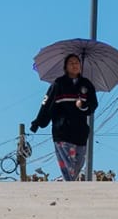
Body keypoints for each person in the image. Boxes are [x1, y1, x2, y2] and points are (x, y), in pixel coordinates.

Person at [30, 53, 98, 181]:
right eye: (71, 63)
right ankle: (69, 189)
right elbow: (46, 104)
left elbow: (93, 105)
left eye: (77, 63)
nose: (75, 65)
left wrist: (83, 105)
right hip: (62, 132)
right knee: (68, 166)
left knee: (78, 163)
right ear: (65, 67)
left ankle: (68, 184)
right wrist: (37, 122)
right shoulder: (58, 84)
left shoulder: (86, 85)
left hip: (80, 132)